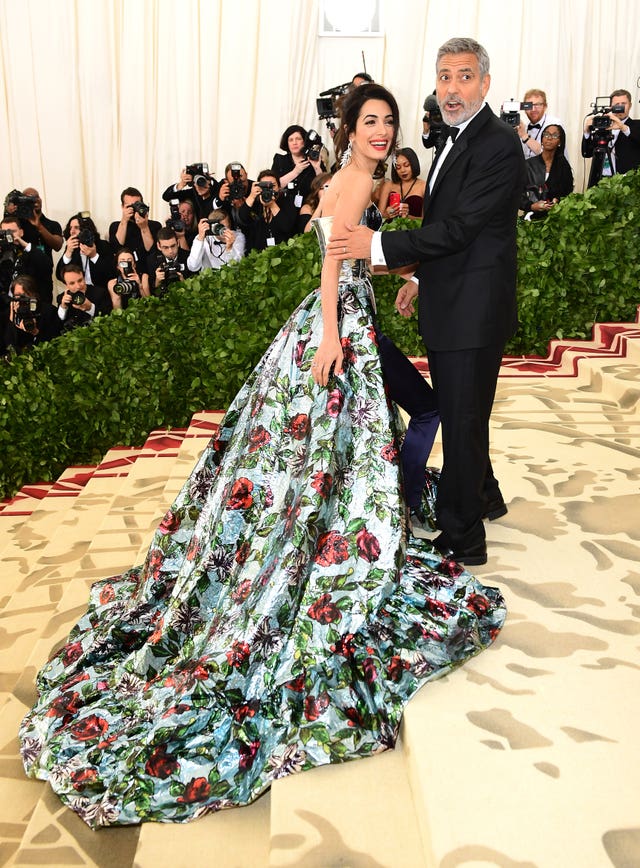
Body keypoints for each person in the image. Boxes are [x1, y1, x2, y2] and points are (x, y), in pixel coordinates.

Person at [19, 80, 506, 829]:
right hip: (337, 328)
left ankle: (376, 512)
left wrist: (401, 278)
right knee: (331, 450)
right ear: (349, 128)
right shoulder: (352, 177)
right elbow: (329, 264)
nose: (382, 132)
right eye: (369, 122)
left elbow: (353, 251)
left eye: (389, 122)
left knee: (345, 448)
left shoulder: (363, 178)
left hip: (353, 317)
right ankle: (357, 525)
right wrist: (334, 334)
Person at [328, 37, 526, 566]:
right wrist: (417, 278)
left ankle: (464, 536)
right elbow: (448, 227)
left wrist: (379, 246)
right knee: (467, 414)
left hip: (472, 310)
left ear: (485, 82)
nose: (452, 88)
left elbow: (461, 229)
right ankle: (483, 495)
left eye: (464, 76)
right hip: (454, 296)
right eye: (443, 77)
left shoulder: (497, 143)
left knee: (461, 418)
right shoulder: (456, 137)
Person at [582, 89, 640, 188]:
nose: (620, 107)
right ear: (610, 107)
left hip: (625, 183)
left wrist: (622, 127)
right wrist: (586, 132)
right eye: (617, 104)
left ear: (630, 105)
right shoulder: (602, 125)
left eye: (623, 103)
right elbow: (586, 153)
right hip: (601, 181)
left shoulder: (636, 126)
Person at [236, 171, 298, 253]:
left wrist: (272, 205)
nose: (268, 189)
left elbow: (286, 226)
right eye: (264, 186)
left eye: (272, 185)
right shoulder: (255, 203)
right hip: (257, 255)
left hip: (282, 253)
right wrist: (252, 196)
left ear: (279, 187)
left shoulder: (287, 202)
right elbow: (242, 218)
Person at [521, 125, 573, 218]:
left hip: (556, 218)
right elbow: (517, 193)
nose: (549, 138)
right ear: (542, 139)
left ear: (560, 142)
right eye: (546, 134)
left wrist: (557, 201)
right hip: (531, 217)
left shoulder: (564, 167)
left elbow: (567, 193)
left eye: (555, 135)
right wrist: (531, 206)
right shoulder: (528, 165)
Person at [0, 214, 53, 303]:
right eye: (4, 232)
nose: (8, 235)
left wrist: (23, 243)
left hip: (33, 304)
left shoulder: (31, 252)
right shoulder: (3, 255)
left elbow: (47, 264)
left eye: (12, 231)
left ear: (21, 232)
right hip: (7, 306)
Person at [2, 275, 61, 355]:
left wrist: (35, 332)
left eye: (25, 296)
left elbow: (54, 342)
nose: (21, 300)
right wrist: (12, 320)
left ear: (34, 295)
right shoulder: (8, 313)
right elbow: (8, 346)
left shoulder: (49, 311)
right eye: (17, 296)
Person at [55, 214, 116, 289]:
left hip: (100, 290)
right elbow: (59, 275)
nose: (72, 231)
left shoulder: (102, 245)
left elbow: (111, 274)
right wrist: (68, 253)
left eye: (76, 228)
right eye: (70, 228)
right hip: (79, 290)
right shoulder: (72, 248)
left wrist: (94, 256)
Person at [271, 125, 327, 206]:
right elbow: (273, 187)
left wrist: (317, 168)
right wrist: (295, 172)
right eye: (291, 140)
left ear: (305, 141)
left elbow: (325, 188)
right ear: (287, 143)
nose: (294, 143)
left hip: (308, 206)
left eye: (298, 139)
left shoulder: (314, 160)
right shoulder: (280, 160)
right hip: (283, 206)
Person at [108, 188, 162, 271]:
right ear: (122, 207)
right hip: (125, 271)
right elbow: (117, 248)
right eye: (129, 206)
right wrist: (124, 221)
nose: (133, 209)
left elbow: (152, 251)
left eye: (136, 205)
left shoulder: (155, 225)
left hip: (148, 270)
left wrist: (144, 227)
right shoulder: (115, 226)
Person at [57, 263, 112, 331]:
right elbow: (60, 321)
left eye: (80, 280)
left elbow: (108, 317)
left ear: (84, 278)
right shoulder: (62, 298)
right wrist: (63, 307)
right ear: (66, 285)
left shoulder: (100, 293)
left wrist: (90, 308)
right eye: (72, 283)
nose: (78, 286)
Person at [378, 147, 426, 219]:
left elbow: (426, 220)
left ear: (413, 164)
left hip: (414, 229)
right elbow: (378, 217)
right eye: (398, 167)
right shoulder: (388, 185)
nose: (402, 170)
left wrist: (408, 217)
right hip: (389, 229)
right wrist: (387, 214)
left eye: (406, 165)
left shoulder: (424, 186)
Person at [517, 89, 563, 159]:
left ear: (545, 106)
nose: (533, 109)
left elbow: (549, 156)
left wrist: (525, 136)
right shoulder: (523, 127)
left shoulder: (555, 124)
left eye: (537, 105)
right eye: (529, 105)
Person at [147, 227, 194, 295]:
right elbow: (152, 292)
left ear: (178, 242)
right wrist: (157, 281)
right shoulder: (152, 260)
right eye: (165, 247)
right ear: (159, 246)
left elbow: (195, 288)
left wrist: (184, 282)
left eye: (173, 246)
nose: (170, 251)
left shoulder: (188, 257)